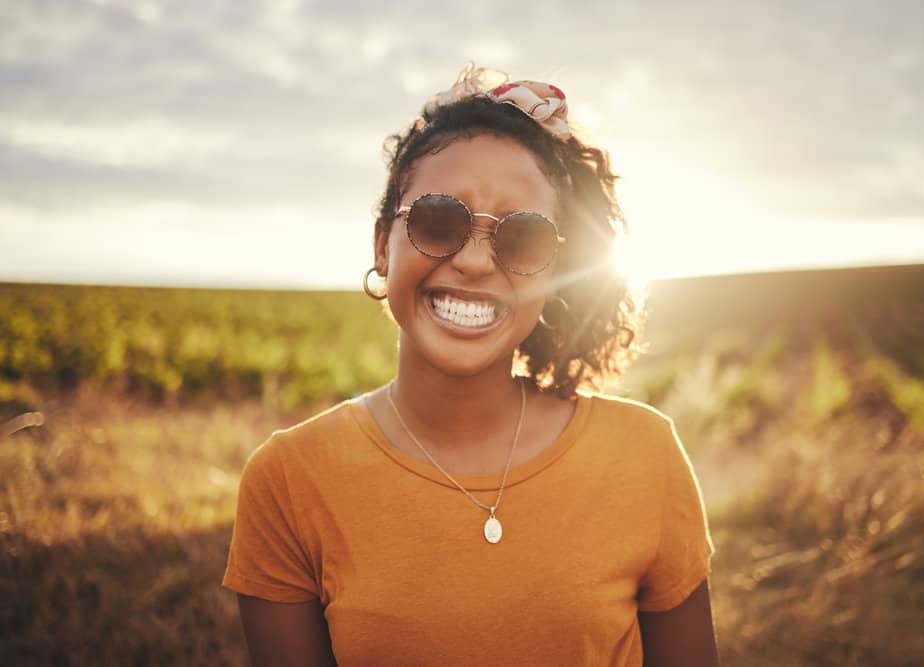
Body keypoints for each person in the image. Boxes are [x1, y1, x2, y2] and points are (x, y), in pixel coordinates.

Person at [222, 64, 719, 666]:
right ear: (384, 244)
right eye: (438, 220)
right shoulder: (288, 481)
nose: (477, 262)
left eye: (524, 237)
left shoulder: (645, 454)